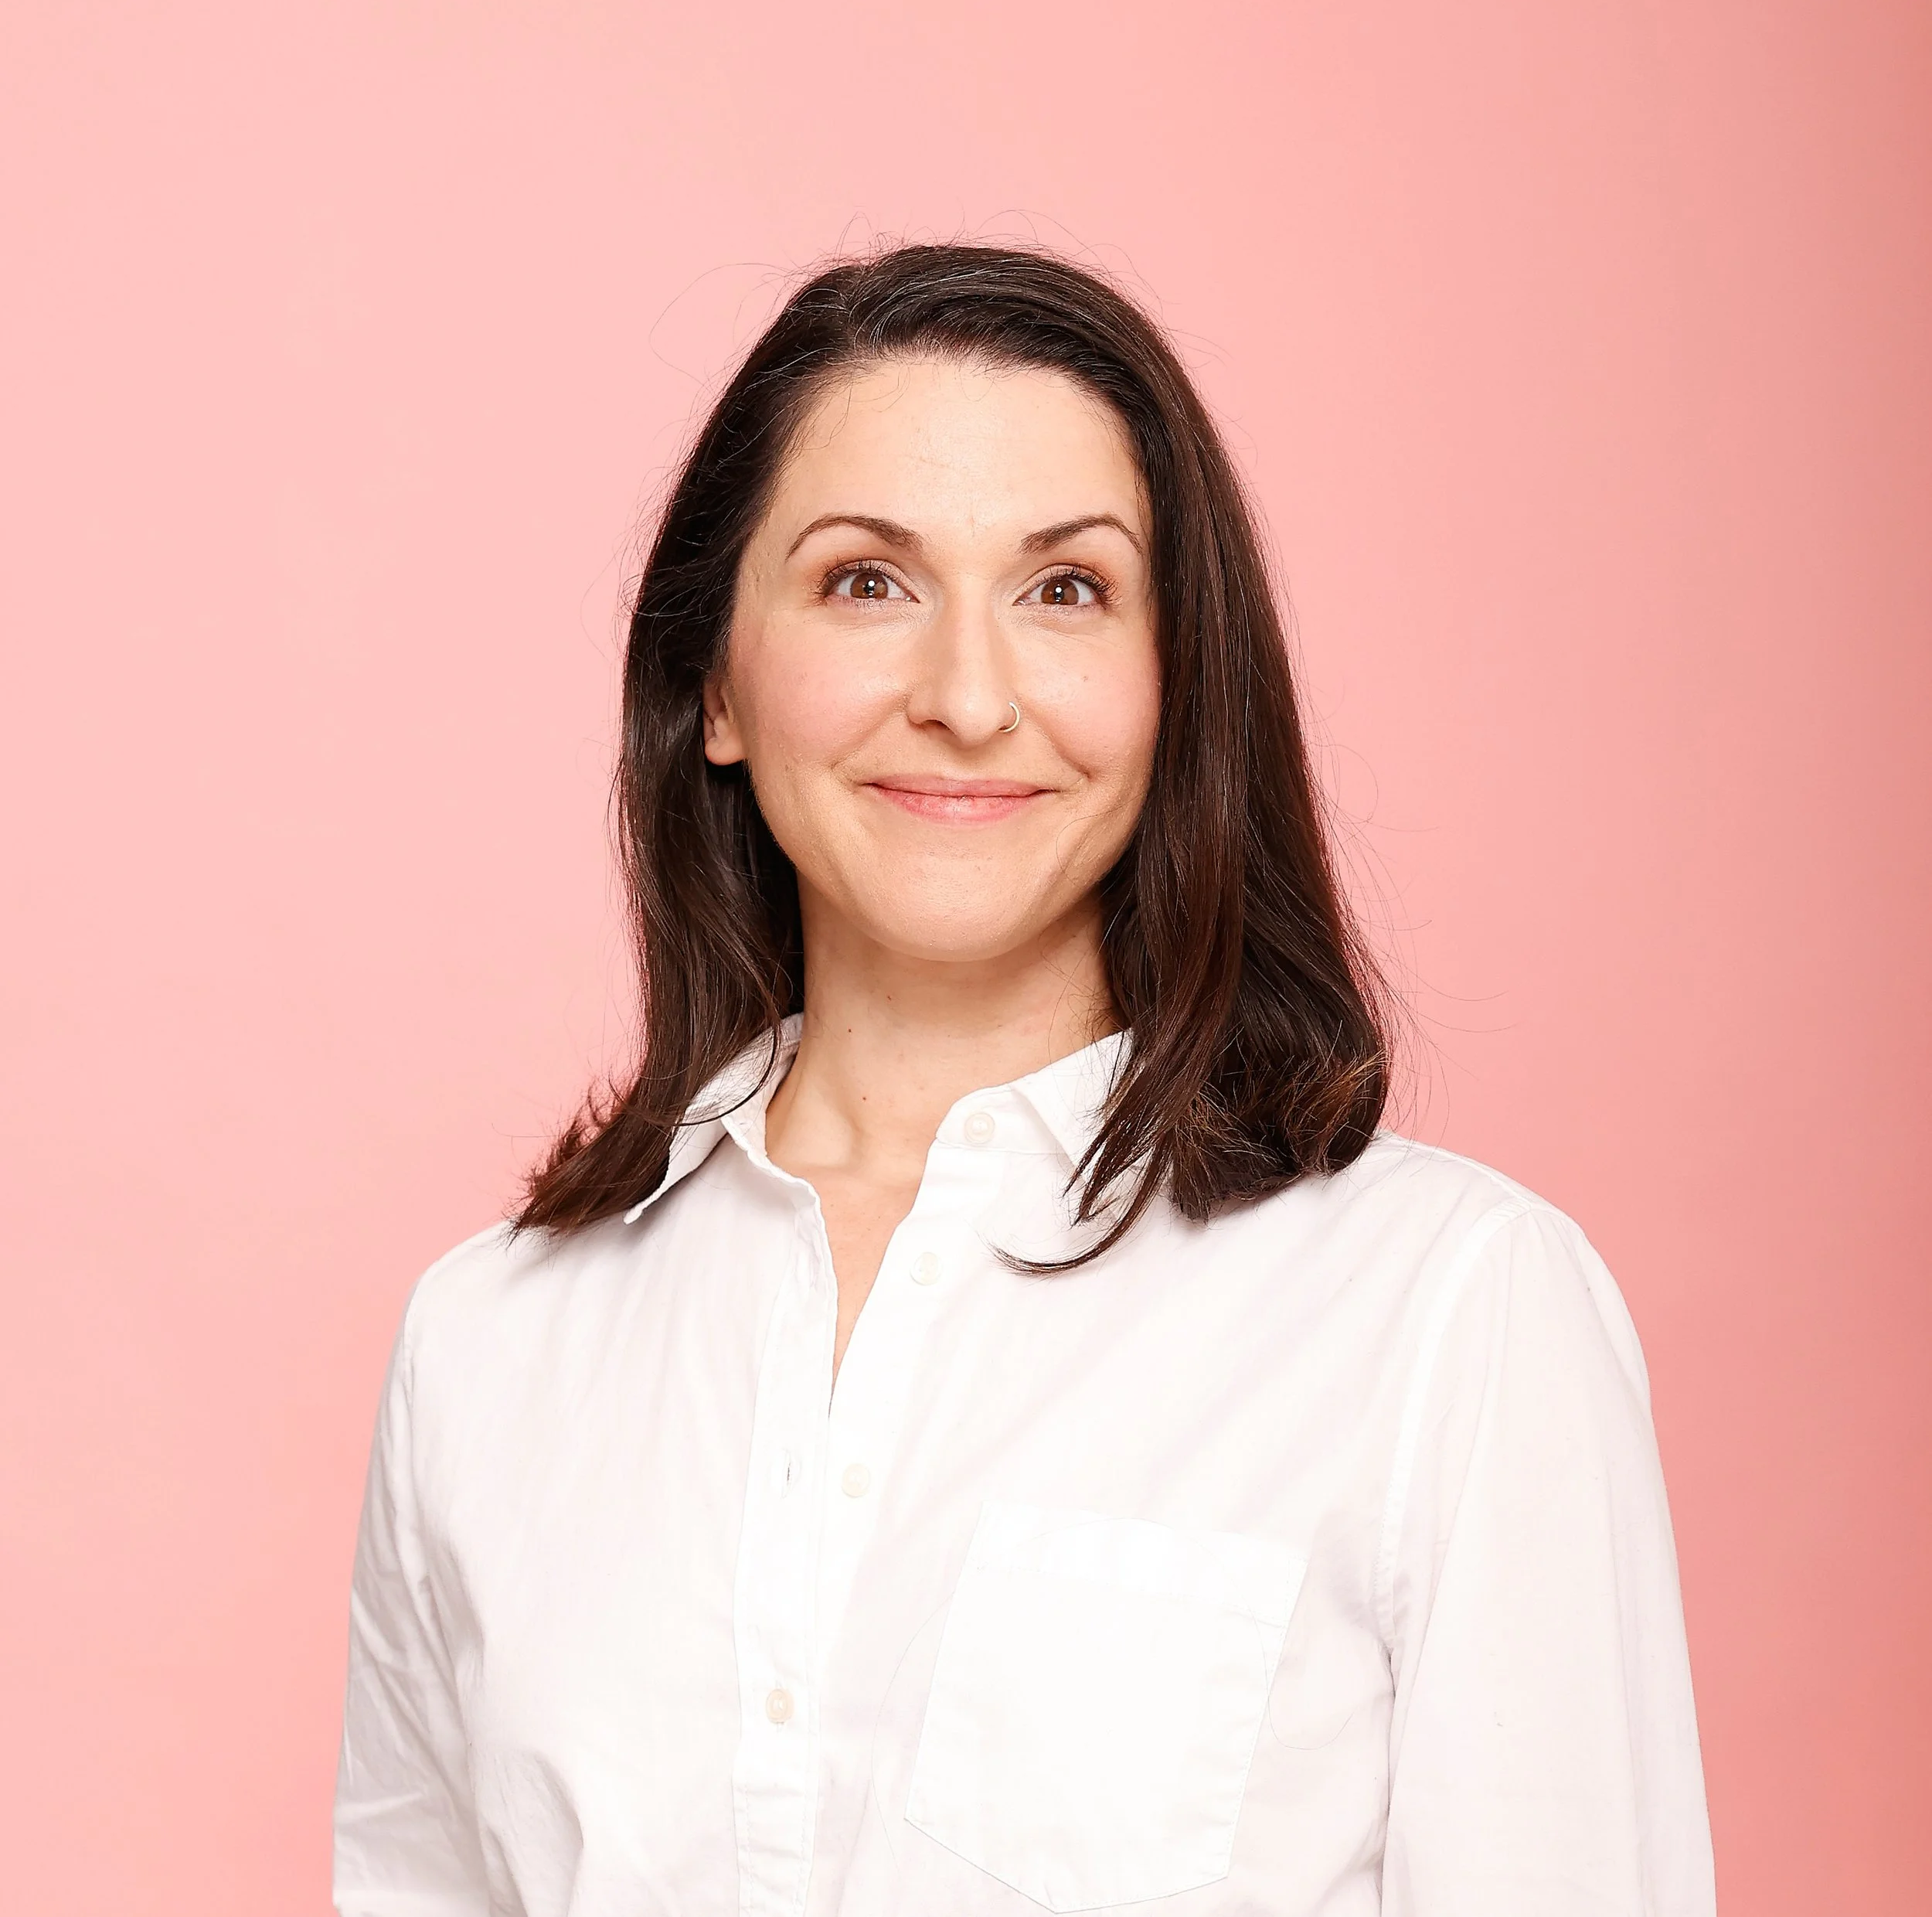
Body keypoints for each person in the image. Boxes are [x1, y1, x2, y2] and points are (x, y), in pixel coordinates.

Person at [332, 244, 1716, 1917]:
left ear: (1171, 683)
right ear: (712, 683)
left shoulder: (1452, 1317)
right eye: (865, 581)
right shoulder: (487, 1342)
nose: (967, 698)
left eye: (1064, 589)